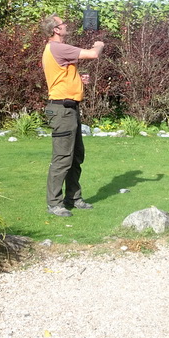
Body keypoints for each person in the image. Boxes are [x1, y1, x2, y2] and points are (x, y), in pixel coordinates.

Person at [40, 14, 104, 217]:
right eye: (63, 24)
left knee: (76, 156)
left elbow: (62, 75)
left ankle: (73, 198)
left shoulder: (57, 50)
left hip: (70, 109)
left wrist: (78, 78)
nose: (66, 25)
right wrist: (98, 44)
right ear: (56, 30)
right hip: (62, 110)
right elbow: (93, 54)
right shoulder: (57, 47)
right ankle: (54, 203)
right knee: (62, 158)